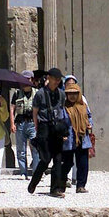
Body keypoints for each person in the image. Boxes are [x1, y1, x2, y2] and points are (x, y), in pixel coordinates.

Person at [28, 67, 68, 198]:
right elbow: (35, 112)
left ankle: (55, 189)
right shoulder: (40, 94)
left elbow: (62, 111)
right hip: (44, 126)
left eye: (59, 80)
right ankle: (34, 181)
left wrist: (63, 131)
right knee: (45, 159)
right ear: (49, 78)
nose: (57, 82)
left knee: (58, 159)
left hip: (57, 127)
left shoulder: (61, 94)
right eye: (55, 79)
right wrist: (37, 129)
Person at [61, 82, 93, 193]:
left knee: (83, 163)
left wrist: (89, 124)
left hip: (82, 138)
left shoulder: (83, 106)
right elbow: (60, 121)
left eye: (75, 93)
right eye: (70, 93)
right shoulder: (64, 107)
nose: (72, 96)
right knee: (67, 163)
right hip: (68, 139)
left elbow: (89, 116)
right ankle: (61, 184)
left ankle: (81, 185)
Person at [11, 71, 39, 179]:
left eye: (28, 79)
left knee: (35, 149)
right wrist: (12, 123)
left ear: (32, 79)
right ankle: (23, 172)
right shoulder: (17, 93)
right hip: (21, 123)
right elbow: (12, 108)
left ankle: (36, 172)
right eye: (24, 79)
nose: (26, 81)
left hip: (32, 122)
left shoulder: (36, 93)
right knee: (21, 149)